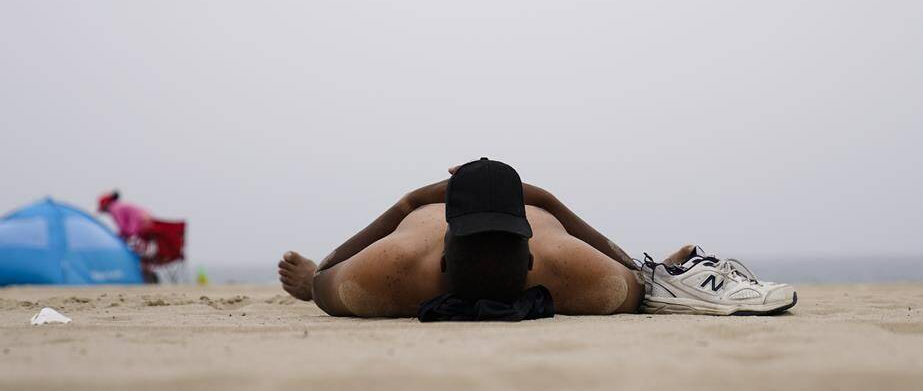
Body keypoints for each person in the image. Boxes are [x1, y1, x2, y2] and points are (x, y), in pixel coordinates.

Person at [278, 158, 796, 319]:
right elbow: (326, 281)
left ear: (532, 257)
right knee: (633, 285)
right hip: (441, 214)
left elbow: (638, 283)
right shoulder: (394, 258)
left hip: (506, 214)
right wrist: (315, 277)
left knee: (633, 282)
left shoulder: (566, 261)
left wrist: (649, 271)